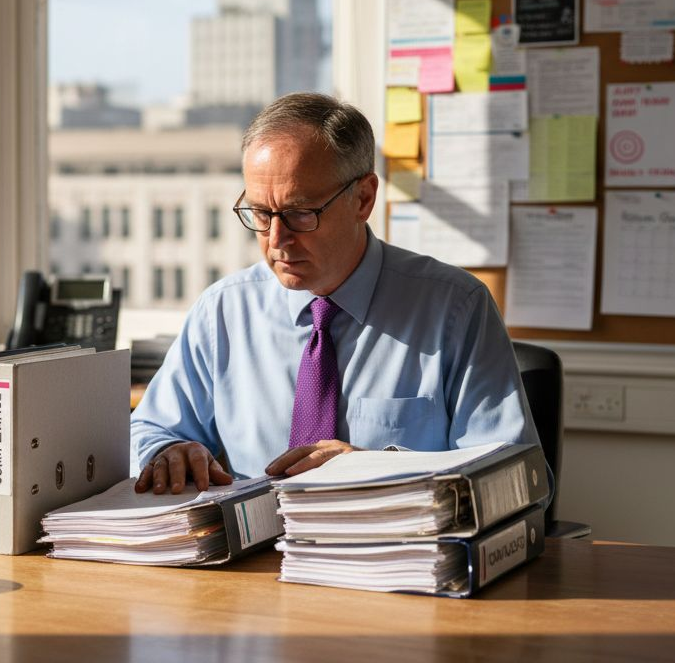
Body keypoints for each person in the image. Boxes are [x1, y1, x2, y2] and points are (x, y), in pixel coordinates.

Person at [132, 92, 542, 494]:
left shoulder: (455, 309)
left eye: (299, 213)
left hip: (392, 552)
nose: (277, 239)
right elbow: (151, 429)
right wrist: (168, 450)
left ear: (363, 199)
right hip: (251, 556)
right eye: (260, 213)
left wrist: (373, 470)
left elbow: (518, 480)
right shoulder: (222, 311)